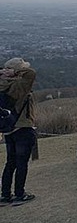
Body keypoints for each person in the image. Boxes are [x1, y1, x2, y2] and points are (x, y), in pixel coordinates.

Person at [0, 58, 37, 206]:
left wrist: (4, 72)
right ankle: (20, 194)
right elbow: (32, 73)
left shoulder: (2, 85)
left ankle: (5, 195)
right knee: (22, 163)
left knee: (10, 163)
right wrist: (16, 70)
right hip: (23, 127)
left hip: (8, 129)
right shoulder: (20, 85)